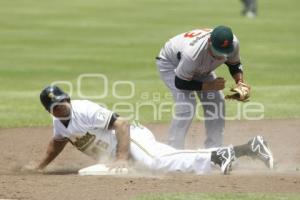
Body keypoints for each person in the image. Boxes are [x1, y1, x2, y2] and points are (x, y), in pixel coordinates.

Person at [34, 85, 272, 175]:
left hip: (130, 138)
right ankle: (245, 150)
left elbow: (122, 123)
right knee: (166, 164)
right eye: (57, 105)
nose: (63, 106)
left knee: (158, 161)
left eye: (65, 101)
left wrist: (120, 159)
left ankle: (221, 155)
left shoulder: (83, 108)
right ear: (50, 110)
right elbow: (56, 142)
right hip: (124, 145)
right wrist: (39, 167)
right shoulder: (59, 124)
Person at [156, 25, 251, 149]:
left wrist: (240, 82)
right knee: (187, 106)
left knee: (217, 102)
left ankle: (214, 150)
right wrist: (210, 85)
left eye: (225, 52)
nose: (221, 56)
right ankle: (173, 150)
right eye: (218, 51)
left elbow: (234, 64)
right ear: (209, 42)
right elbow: (180, 83)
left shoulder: (233, 43)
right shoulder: (192, 53)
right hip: (171, 64)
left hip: (198, 65)